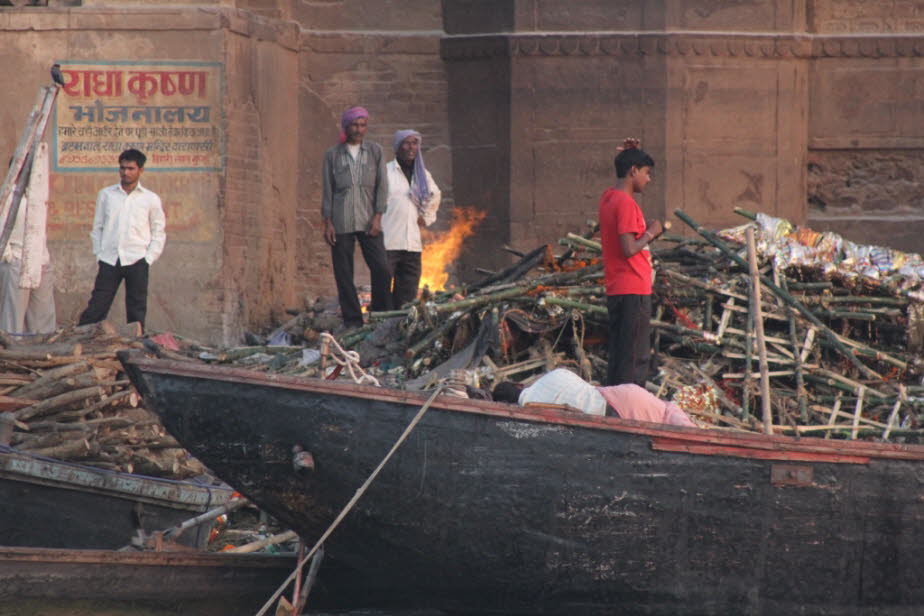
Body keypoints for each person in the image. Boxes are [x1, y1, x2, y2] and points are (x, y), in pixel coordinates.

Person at [77, 148, 166, 331]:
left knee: (136, 309)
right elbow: (97, 227)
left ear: (140, 170)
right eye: (123, 168)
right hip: (110, 259)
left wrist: (148, 258)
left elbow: (159, 231)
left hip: (137, 259)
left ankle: (136, 348)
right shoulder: (107, 194)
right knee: (97, 306)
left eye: (131, 168)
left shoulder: (150, 199)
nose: (126, 172)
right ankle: (81, 339)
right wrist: (99, 254)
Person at [599, 138, 664, 387]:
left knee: (620, 355)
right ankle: (630, 415)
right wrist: (652, 233)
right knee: (635, 359)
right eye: (647, 173)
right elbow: (628, 249)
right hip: (633, 289)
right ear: (633, 171)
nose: (648, 179)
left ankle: (614, 409)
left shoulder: (608, 198)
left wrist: (631, 151)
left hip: (617, 288)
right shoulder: (626, 203)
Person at [321, 106, 392, 328]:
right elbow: (328, 190)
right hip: (341, 221)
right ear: (346, 126)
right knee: (343, 273)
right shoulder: (332, 155)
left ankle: (380, 316)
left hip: (369, 220)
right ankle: (353, 321)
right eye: (354, 125)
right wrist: (328, 222)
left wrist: (378, 216)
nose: (359, 130)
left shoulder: (375, 152)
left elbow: (382, 186)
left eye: (362, 125)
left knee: (381, 268)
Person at [492, 368, 696, 427]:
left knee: (666, 424)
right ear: (519, 384)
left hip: (613, 412)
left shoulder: (528, 409)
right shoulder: (555, 374)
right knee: (667, 412)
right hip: (621, 393)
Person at [0, 142, 55, 335]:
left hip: (40, 261)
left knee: (42, 315)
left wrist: (44, 259)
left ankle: (42, 353)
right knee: (13, 316)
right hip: (16, 260)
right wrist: (8, 257)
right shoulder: (7, 196)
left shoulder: (38, 196)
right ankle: (10, 354)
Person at [382, 129, 441, 308]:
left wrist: (426, 216)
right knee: (383, 290)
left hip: (412, 245)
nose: (411, 147)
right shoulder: (386, 172)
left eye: (415, 143)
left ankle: (400, 328)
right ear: (397, 147)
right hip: (388, 241)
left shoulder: (422, 175)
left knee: (407, 295)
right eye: (406, 143)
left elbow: (435, 194)